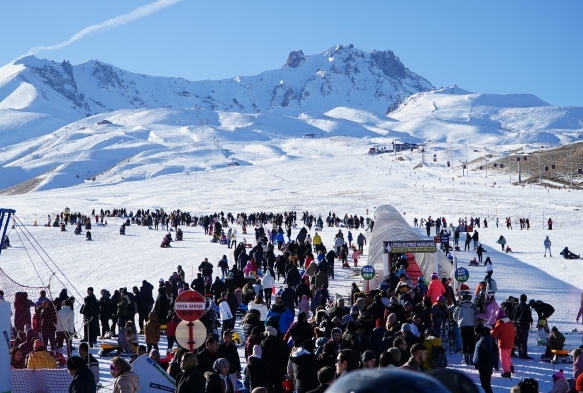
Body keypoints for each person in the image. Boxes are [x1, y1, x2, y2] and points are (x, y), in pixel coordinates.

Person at [453, 288, 478, 366]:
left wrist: (459, 322)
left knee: (464, 341)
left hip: (463, 326)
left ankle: (465, 357)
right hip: (472, 326)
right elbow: (477, 316)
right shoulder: (473, 306)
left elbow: (455, 316)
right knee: (471, 341)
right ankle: (472, 356)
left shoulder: (459, 306)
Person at [473, 324, 498, 393]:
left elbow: (491, 352)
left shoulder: (484, 340)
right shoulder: (486, 338)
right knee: (485, 385)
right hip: (484, 365)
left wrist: (496, 365)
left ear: (478, 332)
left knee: (485, 385)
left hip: (484, 366)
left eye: (475, 332)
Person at [490, 309, 515, 378]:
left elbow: (494, 334)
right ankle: (511, 366)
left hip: (503, 343)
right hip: (510, 342)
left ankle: (507, 372)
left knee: (503, 358)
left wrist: (491, 330)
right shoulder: (510, 322)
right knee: (507, 356)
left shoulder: (500, 323)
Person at [513, 294, 533, 359]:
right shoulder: (526, 307)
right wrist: (531, 320)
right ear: (525, 299)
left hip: (517, 325)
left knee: (519, 340)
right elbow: (529, 316)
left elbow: (513, 316)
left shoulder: (516, 306)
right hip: (524, 325)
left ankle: (520, 353)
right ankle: (524, 354)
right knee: (524, 341)